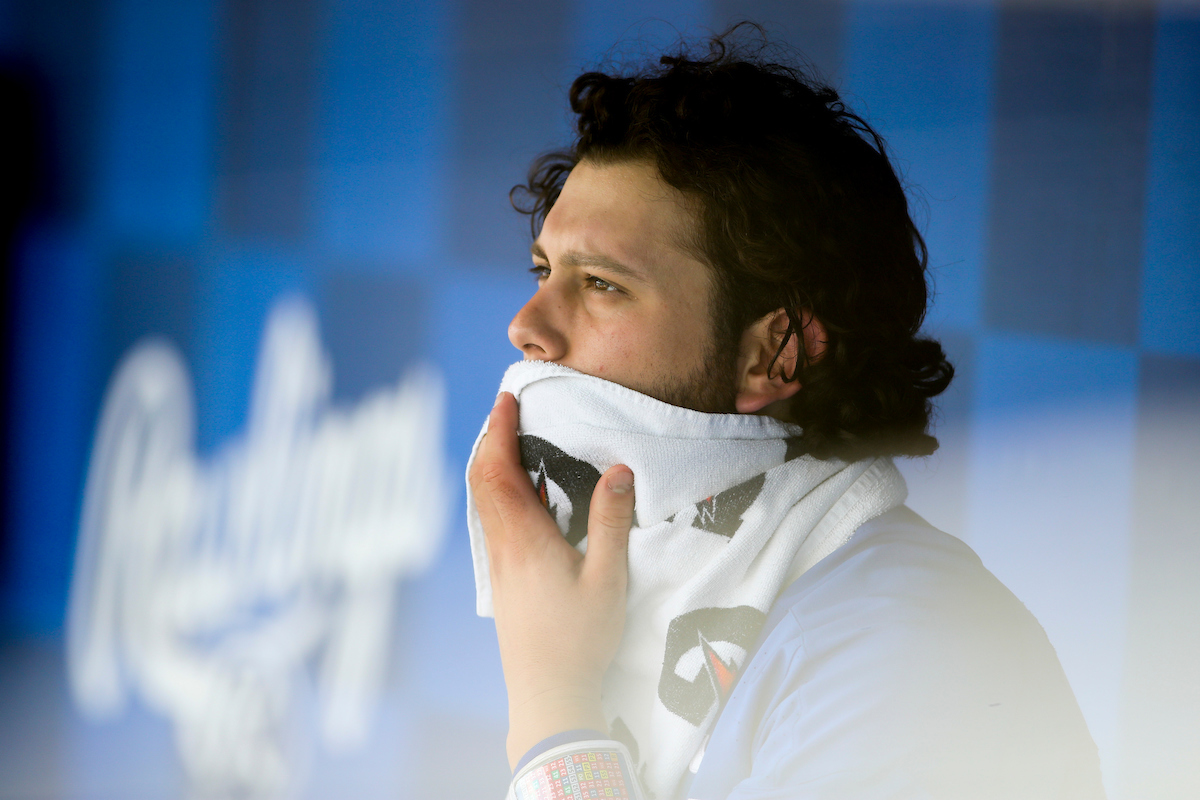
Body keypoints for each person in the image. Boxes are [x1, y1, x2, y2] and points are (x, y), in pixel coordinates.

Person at [467, 25, 1104, 800]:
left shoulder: (909, 649)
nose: (526, 326)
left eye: (601, 283)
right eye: (543, 270)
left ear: (775, 354)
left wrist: (553, 708)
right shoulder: (661, 604)